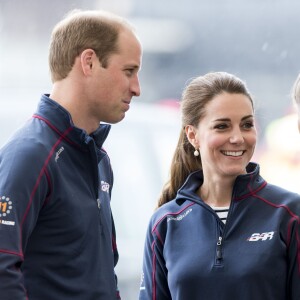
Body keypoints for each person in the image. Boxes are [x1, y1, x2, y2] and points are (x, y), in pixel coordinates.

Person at [0, 9, 142, 300]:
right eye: (129, 71)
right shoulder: (31, 154)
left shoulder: (99, 160)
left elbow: (100, 276)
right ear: (88, 61)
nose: (136, 88)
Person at [139, 72, 300, 300]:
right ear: (193, 135)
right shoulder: (164, 223)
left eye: (246, 125)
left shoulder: (290, 212)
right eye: (222, 126)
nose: (237, 138)